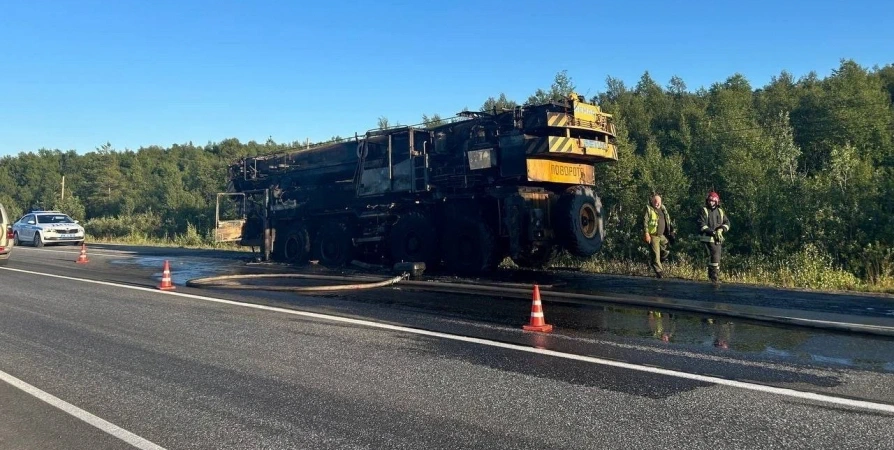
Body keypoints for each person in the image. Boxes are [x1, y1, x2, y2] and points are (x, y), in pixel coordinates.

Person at [697, 191, 730, 283]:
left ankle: (712, 276)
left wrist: (721, 229)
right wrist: (713, 232)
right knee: (715, 256)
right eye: (709, 200)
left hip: (717, 239)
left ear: (717, 202)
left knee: (716, 257)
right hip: (707, 238)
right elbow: (701, 224)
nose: (711, 202)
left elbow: (727, 223)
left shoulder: (720, 211)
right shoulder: (704, 210)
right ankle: (714, 277)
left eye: (713, 201)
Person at [643, 193, 675, 278]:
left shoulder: (663, 209)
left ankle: (655, 262)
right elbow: (645, 222)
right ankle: (660, 273)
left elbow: (668, 221)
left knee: (666, 251)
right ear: (652, 202)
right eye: (655, 201)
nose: (657, 203)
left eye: (658, 201)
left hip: (662, 235)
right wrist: (646, 234)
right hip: (653, 235)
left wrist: (671, 232)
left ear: (661, 202)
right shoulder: (649, 209)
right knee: (656, 254)